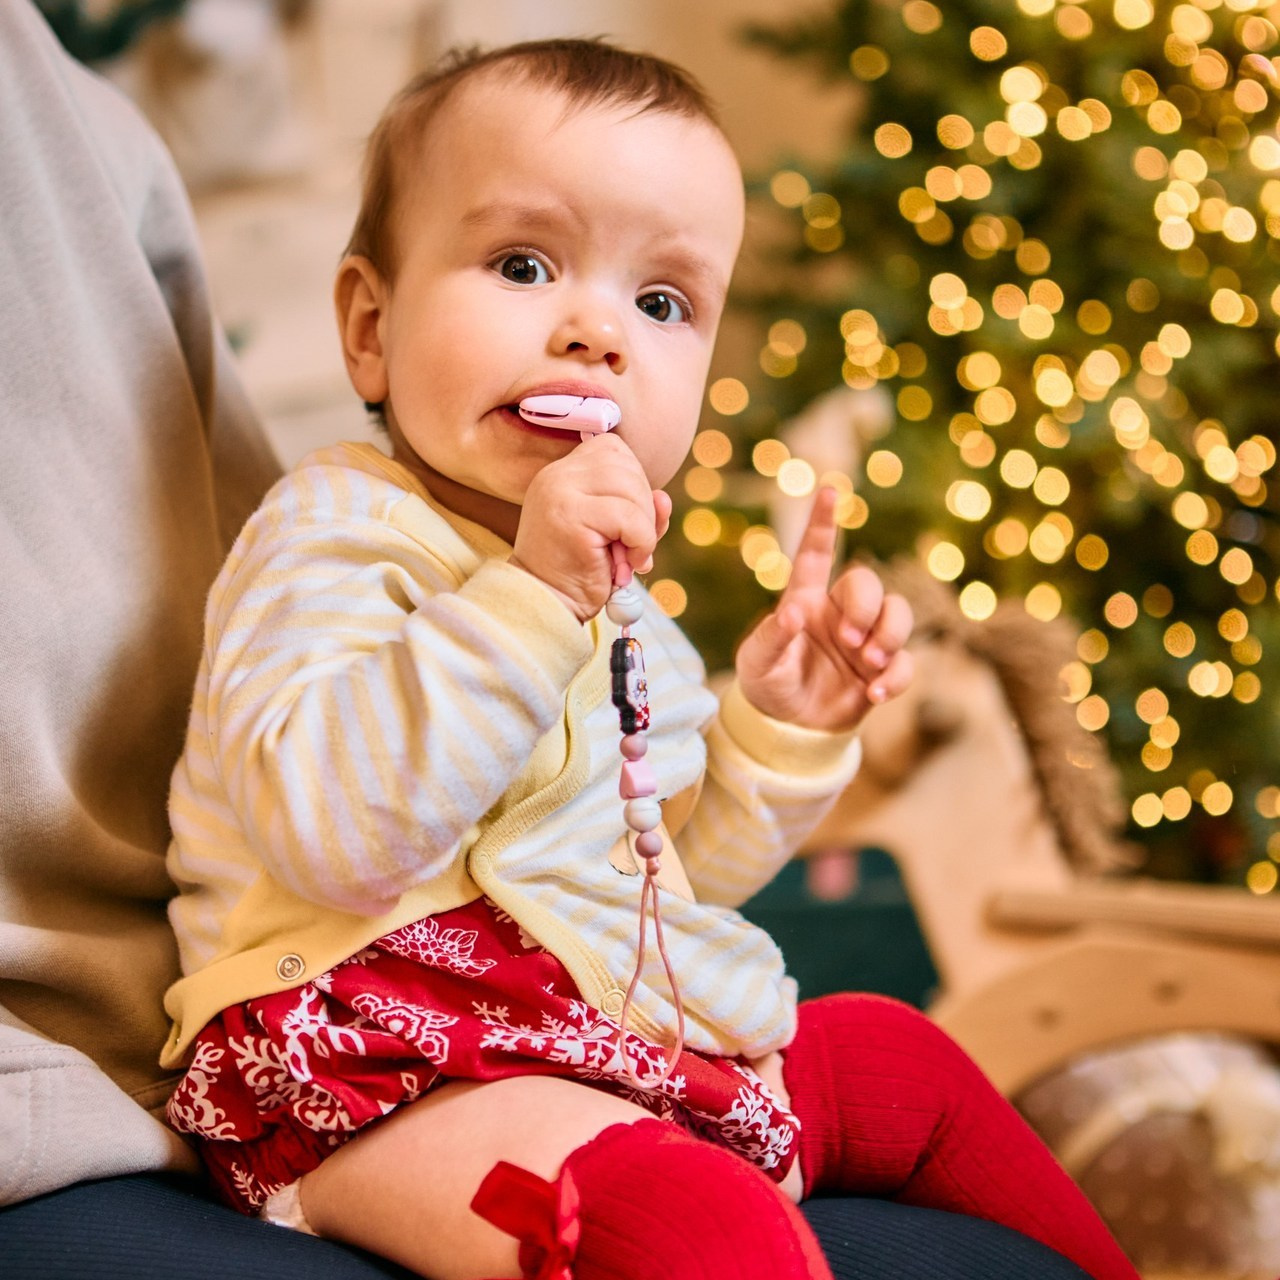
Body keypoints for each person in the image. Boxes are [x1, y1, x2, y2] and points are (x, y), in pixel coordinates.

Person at [153, 35, 1139, 1280]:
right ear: (369, 326)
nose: (596, 335)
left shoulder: (620, 613)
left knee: (898, 1059)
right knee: (690, 1228)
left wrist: (778, 728)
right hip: (369, 1056)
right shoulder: (331, 537)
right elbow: (332, 837)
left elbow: (666, 883)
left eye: (662, 303)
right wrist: (530, 595)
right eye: (523, 264)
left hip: (592, 1022)